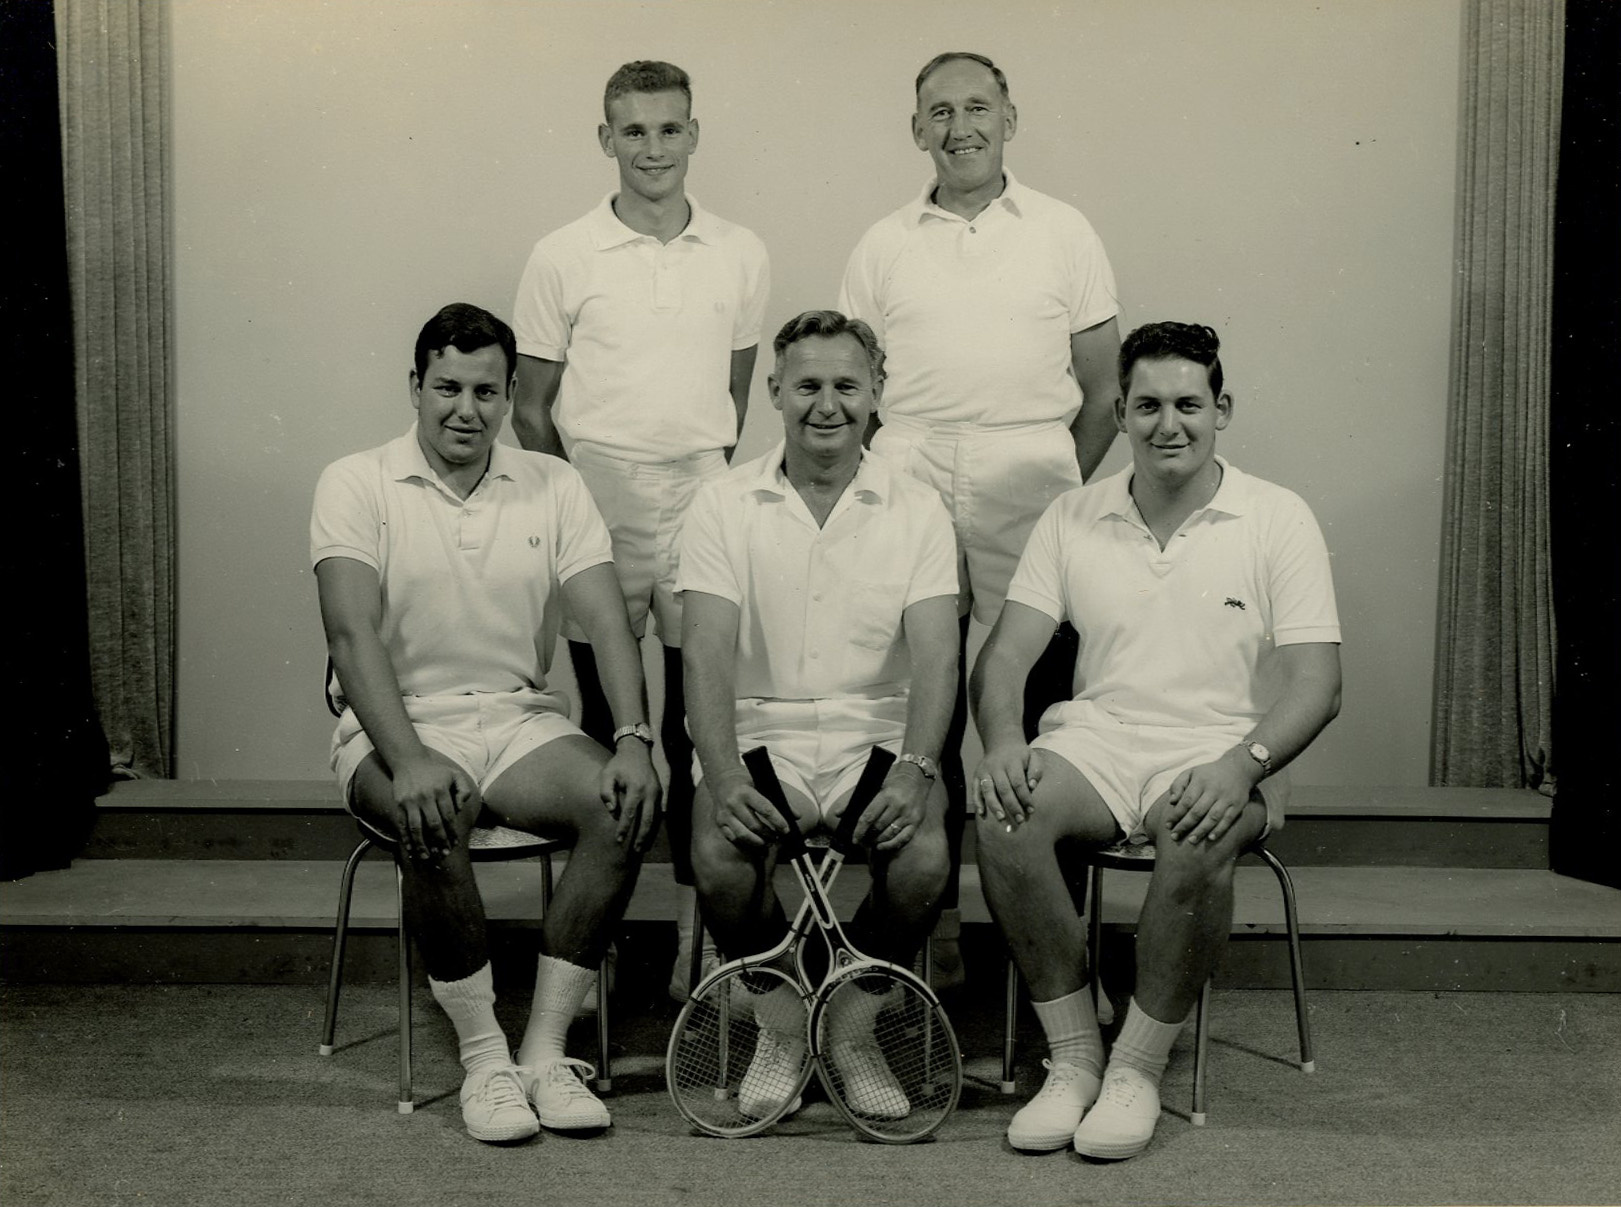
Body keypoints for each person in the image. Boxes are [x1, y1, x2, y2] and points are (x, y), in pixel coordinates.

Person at [971, 321, 1342, 1158]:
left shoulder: (1276, 516)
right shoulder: (1071, 514)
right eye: (1146, 405)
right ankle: (1074, 1057)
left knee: (1192, 822)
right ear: (1121, 411)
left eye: (1187, 403)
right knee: (1005, 813)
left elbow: (1318, 684)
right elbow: (1004, 658)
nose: (1166, 424)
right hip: (1100, 738)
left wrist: (1240, 764)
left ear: (1222, 408)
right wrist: (999, 740)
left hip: (1222, 745)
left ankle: (1135, 1066)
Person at [311, 303, 662, 1144]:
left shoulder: (553, 481)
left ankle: (541, 1052)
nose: (465, 409)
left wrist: (635, 739)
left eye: (486, 391)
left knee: (621, 802)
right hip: (395, 723)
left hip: (514, 718)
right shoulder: (354, 480)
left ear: (510, 397)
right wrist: (407, 758)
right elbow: (350, 633)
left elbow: (607, 620)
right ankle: (484, 1058)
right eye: (446, 388)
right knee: (434, 805)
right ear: (415, 388)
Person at [838, 51, 1123, 978]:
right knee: (920, 694)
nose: (958, 126)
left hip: (1029, 466)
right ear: (913, 129)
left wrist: (1053, 491)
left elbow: (1101, 387)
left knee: (1035, 701)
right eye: (937, 112)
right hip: (911, 460)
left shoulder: (1063, 230)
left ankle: (1039, 945)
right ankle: (926, 935)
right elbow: (856, 387)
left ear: (1011, 117)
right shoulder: (882, 241)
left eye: (976, 108)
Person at [511, 60, 770, 1000]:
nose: (652, 148)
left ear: (694, 134)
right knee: (605, 720)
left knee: (701, 721)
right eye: (633, 131)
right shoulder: (561, 253)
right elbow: (532, 410)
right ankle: (599, 938)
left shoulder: (740, 250)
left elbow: (733, 398)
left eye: (669, 130)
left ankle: (703, 935)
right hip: (598, 492)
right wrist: (576, 507)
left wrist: (701, 479)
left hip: (700, 485)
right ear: (605, 139)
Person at [678, 310, 959, 1120]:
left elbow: (937, 656)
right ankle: (779, 1019)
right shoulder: (722, 501)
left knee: (923, 858)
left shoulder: (917, 508)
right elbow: (702, 651)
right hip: (762, 725)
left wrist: (914, 771)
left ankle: (849, 1019)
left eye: (845, 385)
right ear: (774, 392)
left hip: (872, 730)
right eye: (806, 385)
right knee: (719, 851)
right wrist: (724, 772)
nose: (825, 404)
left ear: (877, 394)